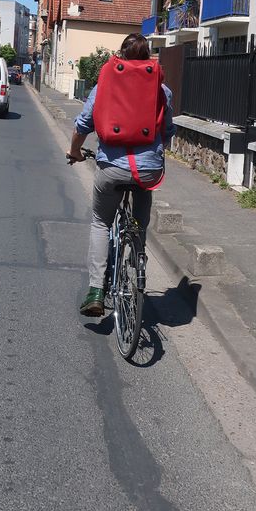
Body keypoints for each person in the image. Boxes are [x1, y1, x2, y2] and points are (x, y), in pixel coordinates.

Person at [68, 33, 174, 317]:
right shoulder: (162, 90)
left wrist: (75, 151)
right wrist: (152, 153)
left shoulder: (105, 84)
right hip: (148, 172)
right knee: (139, 224)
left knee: (101, 222)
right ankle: (137, 269)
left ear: (121, 57)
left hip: (112, 168)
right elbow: (168, 132)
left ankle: (95, 291)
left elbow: (83, 125)